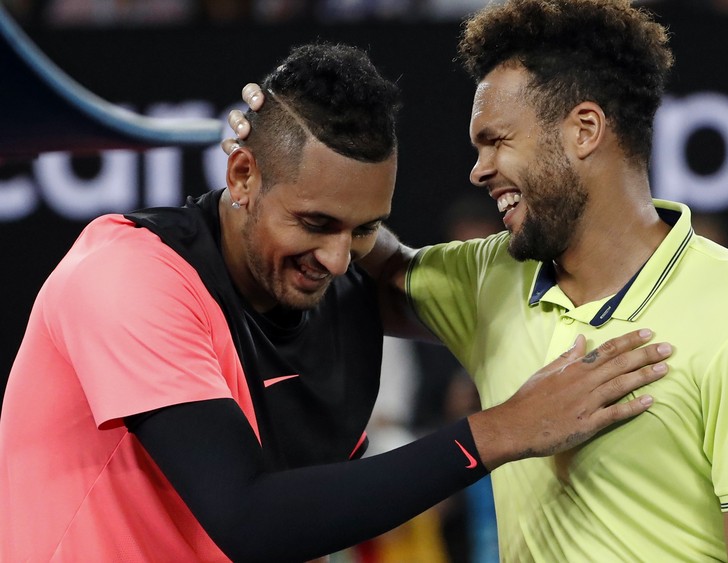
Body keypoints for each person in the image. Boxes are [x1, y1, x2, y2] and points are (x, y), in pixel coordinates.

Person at [0, 42, 672, 562]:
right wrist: (502, 431)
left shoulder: (346, 284)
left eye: (363, 226)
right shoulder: (126, 279)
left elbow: (485, 291)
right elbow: (249, 520)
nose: (338, 258)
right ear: (242, 175)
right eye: (316, 222)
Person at [228, 0, 728, 560]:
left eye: (496, 142)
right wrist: (277, 164)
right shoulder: (489, 278)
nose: (478, 170)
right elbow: (370, 260)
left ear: (584, 130)